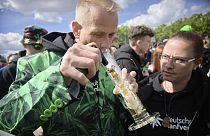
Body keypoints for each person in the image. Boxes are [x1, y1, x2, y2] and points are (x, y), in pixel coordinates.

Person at [0, 0, 138, 135]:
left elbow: (115, 114)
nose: (107, 44)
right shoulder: (34, 63)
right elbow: (6, 122)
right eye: (98, 34)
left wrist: (126, 97)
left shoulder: (109, 63)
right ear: (77, 29)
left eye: (111, 35)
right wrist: (58, 76)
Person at [131, 31, 210, 136]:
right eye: (165, 56)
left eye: (179, 60)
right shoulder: (144, 90)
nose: (168, 65)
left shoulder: (205, 94)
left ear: (197, 63)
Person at [0, 25, 48, 99]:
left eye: (45, 46)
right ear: (24, 45)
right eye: (37, 46)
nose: (42, 50)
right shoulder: (10, 70)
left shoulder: (48, 66)